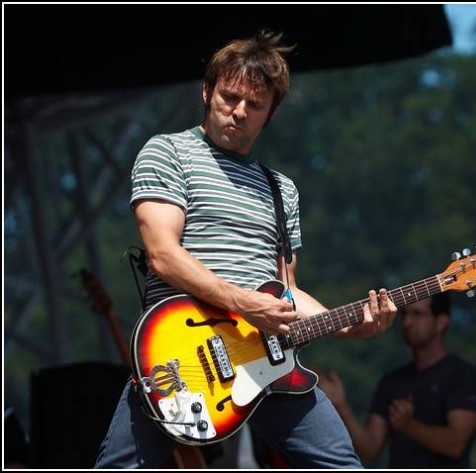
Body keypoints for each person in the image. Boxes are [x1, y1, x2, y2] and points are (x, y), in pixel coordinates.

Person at [94, 30, 397, 469]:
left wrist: (350, 326)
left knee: (342, 464)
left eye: (254, 105)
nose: (238, 112)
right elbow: (162, 254)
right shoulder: (168, 152)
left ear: (270, 114)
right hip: (183, 354)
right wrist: (242, 303)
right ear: (206, 91)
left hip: (272, 363)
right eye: (229, 97)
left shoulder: (282, 190)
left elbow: (287, 290)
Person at [318, 292, 476, 468]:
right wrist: (341, 405)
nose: (407, 322)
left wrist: (409, 426)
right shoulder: (393, 380)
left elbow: (456, 444)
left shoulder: (462, 375)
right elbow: (369, 449)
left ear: (442, 322)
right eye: (405, 314)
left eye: (418, 314)